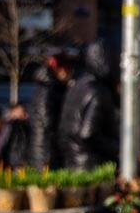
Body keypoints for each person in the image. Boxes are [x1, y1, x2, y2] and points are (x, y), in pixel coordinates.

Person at [58, 40, 118, 169]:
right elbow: (88, 134)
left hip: (71, 161)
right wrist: (118, 148)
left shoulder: (77, 86)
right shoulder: (99, 92)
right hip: (90, 164)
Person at [28, 55, 72, 169]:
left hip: (44, 149)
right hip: (47, 152)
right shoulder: (48, 90)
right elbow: (48, 121)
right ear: (61, 70)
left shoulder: (45, 87)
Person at [0, 103, 30, 168]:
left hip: (18, 160)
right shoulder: (9, 126)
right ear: (13, 112)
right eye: (23, 111)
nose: (26, 115)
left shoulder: (24, 125)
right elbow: (1, 144)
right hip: (13, 161)